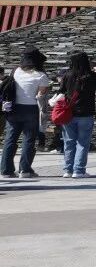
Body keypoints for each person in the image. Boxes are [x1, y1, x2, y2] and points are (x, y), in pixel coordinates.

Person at [59, 52, 96, 178]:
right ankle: (79, 171)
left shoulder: (67, 75)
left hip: (68, 114)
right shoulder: (91, 75)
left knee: (68, 142)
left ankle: (68, 170)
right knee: (82, 143)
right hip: (86, 114)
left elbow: (61, 91)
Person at [1, 49, 51, 179]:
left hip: (13, 108)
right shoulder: (41, 75)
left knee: (10, 139)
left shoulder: (15, 71)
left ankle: (6, 170)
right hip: (31, 109)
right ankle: (25, 170)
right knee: (29, 139)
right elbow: (40, 95)